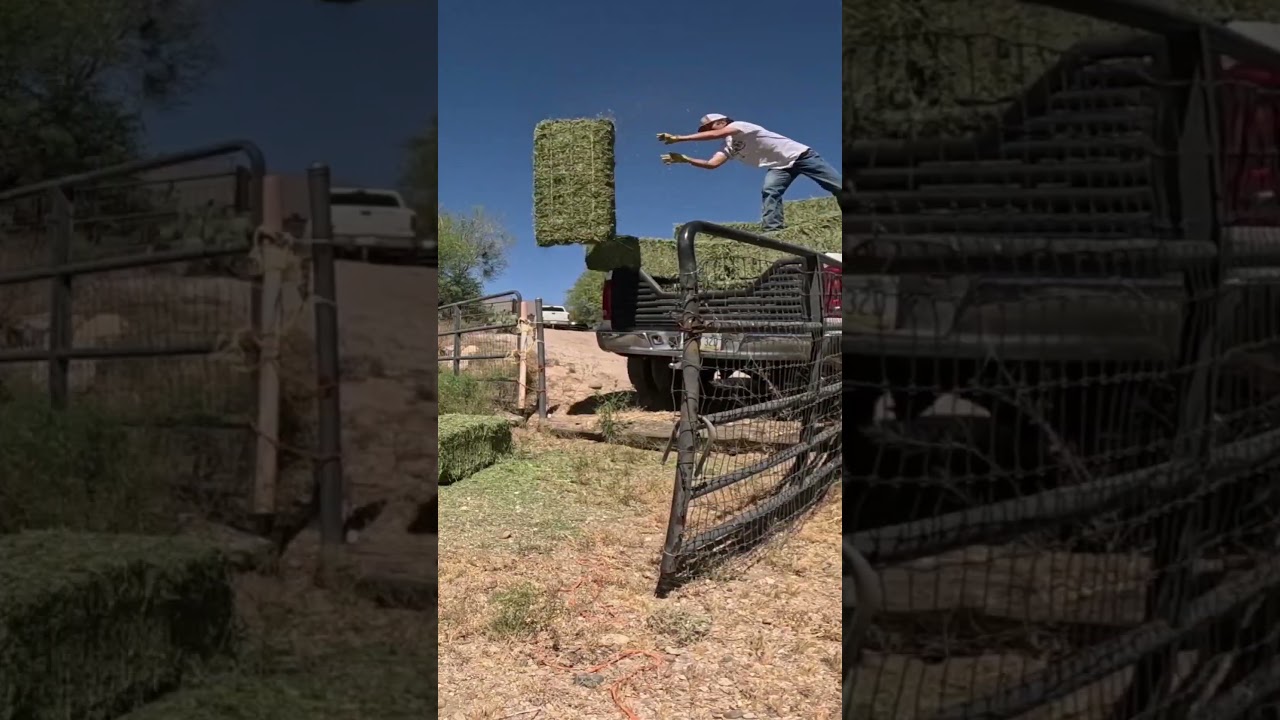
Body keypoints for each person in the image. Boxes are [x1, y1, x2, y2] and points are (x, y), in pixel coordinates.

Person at [657, 113, 841, 231]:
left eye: (708, 127)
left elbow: (715, 135)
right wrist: (685, 159)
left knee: (837, 185)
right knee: (770, 191)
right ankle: (773, 231)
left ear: (722, 122)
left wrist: (679, 138)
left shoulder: (741, 126)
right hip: (779, 167)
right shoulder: (727, 146)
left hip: (801, 156)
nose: (706, 132)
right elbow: (712, 164)